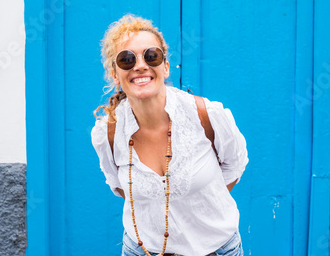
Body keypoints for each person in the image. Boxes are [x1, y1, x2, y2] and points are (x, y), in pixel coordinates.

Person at [91, 14, 249, 256]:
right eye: (126, 59)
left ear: (165, 65)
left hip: (216, 250)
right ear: (115, 73)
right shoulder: (108, 133)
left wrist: (195, 202)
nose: (140, 65)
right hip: (143, 250)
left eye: (151, 56)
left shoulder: (206, 115)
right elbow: (119, 185)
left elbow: (234, 166)